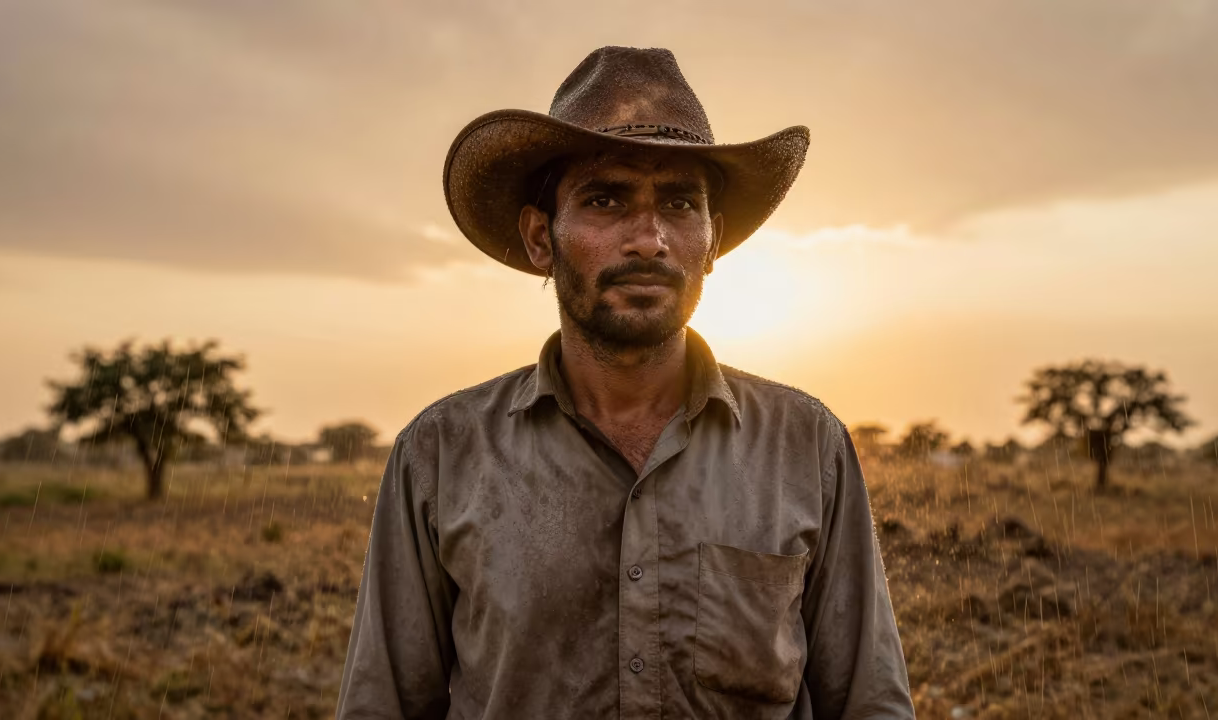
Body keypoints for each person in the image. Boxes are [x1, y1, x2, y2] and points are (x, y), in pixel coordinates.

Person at [337, 46, 915, 719]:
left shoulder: (806, 446)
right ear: (539, 239)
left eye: (677, 202)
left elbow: (870, 703)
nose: (649, 239)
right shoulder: (442, 455)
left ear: (713, 240)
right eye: (606, 199)